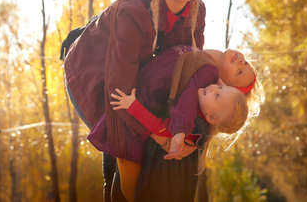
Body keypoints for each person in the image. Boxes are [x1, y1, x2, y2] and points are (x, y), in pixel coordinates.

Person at [63, 0, 208, 202]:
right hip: (92, 74)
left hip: (140, 76)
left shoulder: (198, 11)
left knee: (154, 140)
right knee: (127, 144)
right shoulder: (133, 12)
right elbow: (118, 93)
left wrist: (181, 129)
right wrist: (161, 134)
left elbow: (189, 74)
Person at [107, 47, 254, 201]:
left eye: (239, 72)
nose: (242, 62)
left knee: (124, 188)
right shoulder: (206, 85)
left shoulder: (195, 125)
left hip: (155, 175)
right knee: (113, 177)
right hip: (141, 135)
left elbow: (160, 128)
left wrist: (133, 107)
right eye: (219, 88)